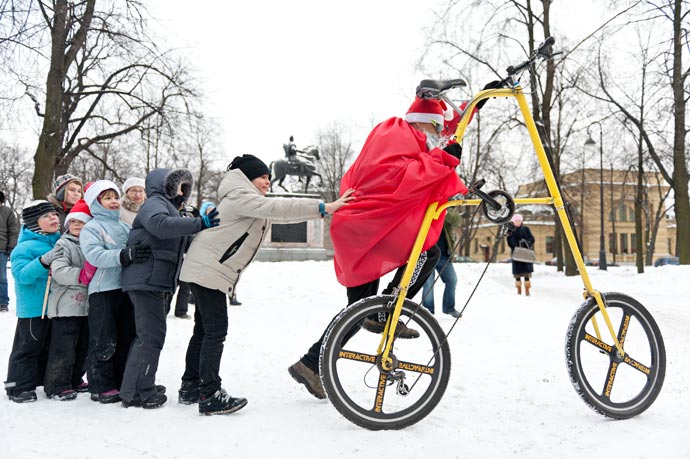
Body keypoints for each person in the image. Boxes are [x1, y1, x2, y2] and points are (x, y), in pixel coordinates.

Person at [289, 96, 469, 400]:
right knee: (428, 254)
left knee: (358, 309)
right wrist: (443, 158)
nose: (437, 134)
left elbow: (412, 170)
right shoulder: (396, 131)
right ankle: (385, 312)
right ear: (423, 121)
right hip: (366, 229)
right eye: (435, 126)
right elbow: (398, 177)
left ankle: (312, 363)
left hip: (367, 230)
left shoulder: (407, 137)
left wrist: (468, 116)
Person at [177, 154, 353, 415]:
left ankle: (191, 386)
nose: (267, 182)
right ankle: (210, 394)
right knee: (214, 332)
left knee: (203, 331)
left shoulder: (239, 195)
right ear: (248, 177)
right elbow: (278, 209)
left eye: (269, 178)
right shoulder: (241, 196)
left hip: (206, 269)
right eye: (262, 177)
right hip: (208, 270)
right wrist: (324, 207)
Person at [119, 168, 217, 409]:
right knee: (150, 336)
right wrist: (197, 223)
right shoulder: (155, 203)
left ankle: (140, 384)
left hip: (154, 280)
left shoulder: (171, 208)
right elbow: (159, 226)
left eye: (185, 187)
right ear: (165, 186)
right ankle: (137, 392)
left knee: (150, 335)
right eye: (178, 185)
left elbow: (179, 238)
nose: (182, 191)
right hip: (146, 279)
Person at [80, 180, 142, 404]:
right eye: (106, 198)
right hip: (103, 290)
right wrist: (123, 256)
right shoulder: (92, 228)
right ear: (95, 203)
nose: (114, 202)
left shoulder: (125, 227)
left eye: (115, 197)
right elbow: (94, 255)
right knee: (103, 339)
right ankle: (100, 385)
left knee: (125, 337)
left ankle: (121, 380)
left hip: (125, 289)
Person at [4, 200, 62, 403]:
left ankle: (37, 381)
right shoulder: (24, 248)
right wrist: (43, 261)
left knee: (46, 347)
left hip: (54, 307)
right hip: (33, 308)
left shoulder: (59, 241)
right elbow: (21, 275)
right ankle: (16, 387)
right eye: (46, 216)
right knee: (26, 348)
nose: (54, 218)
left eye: (54, 214)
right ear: (34, 223)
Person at [43, 199, 93, 400]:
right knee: (63, 348)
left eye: (81, 222)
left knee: (82, 345)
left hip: (84, 305)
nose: (77, 226)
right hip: (65, 305)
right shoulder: (64, 244)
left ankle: (74, 379)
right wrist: (83, 275)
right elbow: (59, 271)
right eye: (73, 222)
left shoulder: (90, 244)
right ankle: (56, 384)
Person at [420, 208, 462, 318]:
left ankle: (449, 307)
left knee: (452, 280)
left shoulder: (445, 206)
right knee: (428, 284)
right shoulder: (424, 207)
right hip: (427, 255)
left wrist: (445, 211)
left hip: (444, 254)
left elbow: (457, 220)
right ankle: (428, 311)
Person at [0, 190, 19, 312]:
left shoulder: (7, 212)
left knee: (1, 277)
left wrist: (11, 247)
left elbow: (13, 231)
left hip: (1, 248)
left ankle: (3, 302)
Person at [507, 213, 535, 296]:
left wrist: (526, 242)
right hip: (516, 254)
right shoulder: (510, 230)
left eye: (519, 221)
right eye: (516, 221)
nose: (518, 222)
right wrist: (517, 243)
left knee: (527, 273)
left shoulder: (526, 229)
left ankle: (527, 290)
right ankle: (519, 290)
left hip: (526, 253)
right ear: (513, 221)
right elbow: (509, 241)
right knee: (517, 274)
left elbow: (532, 239)